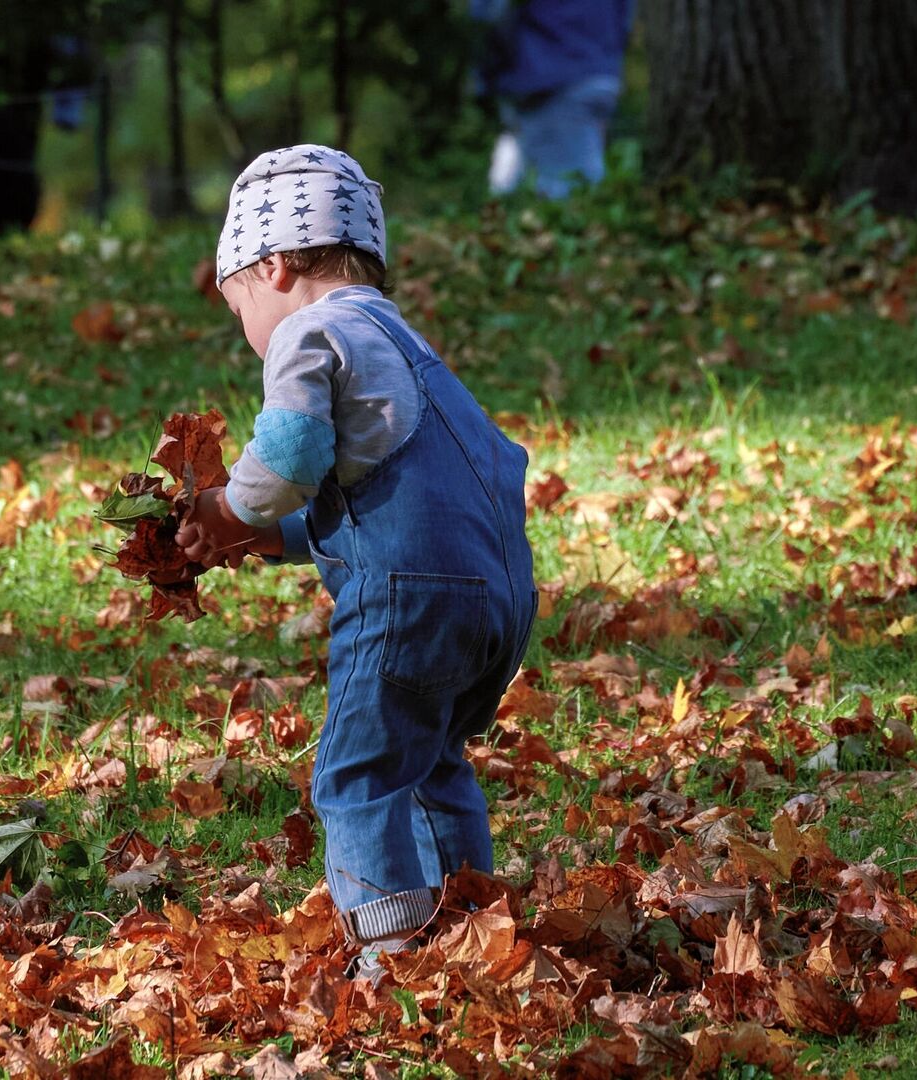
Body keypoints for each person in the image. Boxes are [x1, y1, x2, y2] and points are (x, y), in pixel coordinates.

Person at [174, 145, 537, 965]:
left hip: (410, 600)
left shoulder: (311, 330)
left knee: (357, 777)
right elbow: (391, 496)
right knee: (434, 760)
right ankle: (469, 928)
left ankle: (394, 954)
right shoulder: (404, 343)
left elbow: (293, 449)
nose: (248, 337)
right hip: (497, 594)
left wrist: (231, 511)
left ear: (272, 268)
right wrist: (272, 536)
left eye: (238, 314)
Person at [471, 0, 634, 199]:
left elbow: (489, 13)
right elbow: (625, 20)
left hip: (550, 77)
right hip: (600, 74)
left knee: (569, 199)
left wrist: (490, 75)